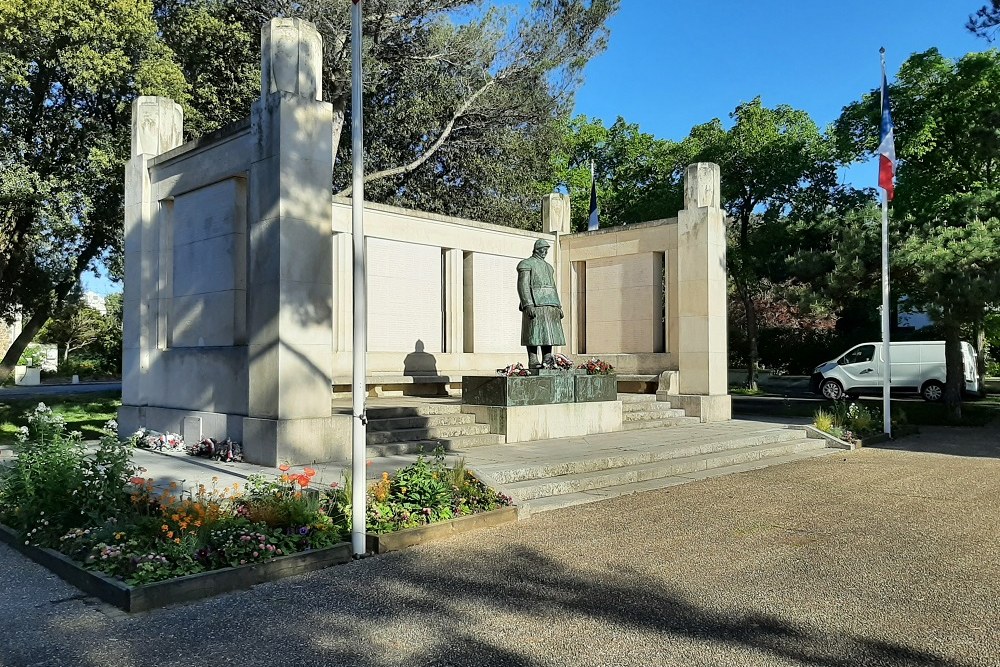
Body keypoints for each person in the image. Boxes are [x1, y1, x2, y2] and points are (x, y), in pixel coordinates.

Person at [517, 239, 566, 368]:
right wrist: (528, 304)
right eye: (542, 249)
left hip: (550, 304)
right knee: (533, 333)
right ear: (536, 249)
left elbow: (553, 286)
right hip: (535, 304)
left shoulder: (549, 267)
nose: (544, 252)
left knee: (548, 334)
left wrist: (558, 306)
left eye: (546, 250)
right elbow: (523, 285)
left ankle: (547, 359)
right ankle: (533, 360)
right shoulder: (526, 264)